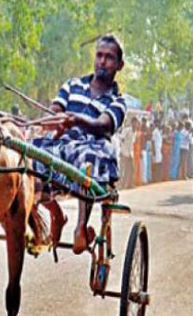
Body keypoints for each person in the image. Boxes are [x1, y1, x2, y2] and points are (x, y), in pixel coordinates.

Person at [32, 35, 127, 254]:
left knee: (87, 158)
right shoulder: (72, 85)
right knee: (31, 152)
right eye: (99, 55)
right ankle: (56, 213)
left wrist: (75, 118)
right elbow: (55, 110)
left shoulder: (118, 102)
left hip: (93, 148)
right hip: (63, 144)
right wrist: (56, 119)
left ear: (119, 65)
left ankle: (81, 228)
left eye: (109, 58)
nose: (102, 61)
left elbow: (103, 125)